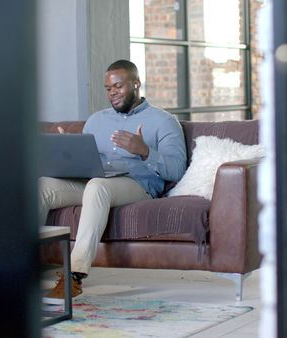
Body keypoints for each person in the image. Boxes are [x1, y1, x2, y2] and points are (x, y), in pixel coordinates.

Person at [40, 59, 187, 301]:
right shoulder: (96, 121)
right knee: (43, 186)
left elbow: (177, 170)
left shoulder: (163, 121)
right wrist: (67, 151)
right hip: (96, 180)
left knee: (98, 187)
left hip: (137, 184)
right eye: (108, 89)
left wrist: (145, 151)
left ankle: (74, 276)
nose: (113, 94)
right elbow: (87, 161)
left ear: (136, 84)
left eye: (119, 87)